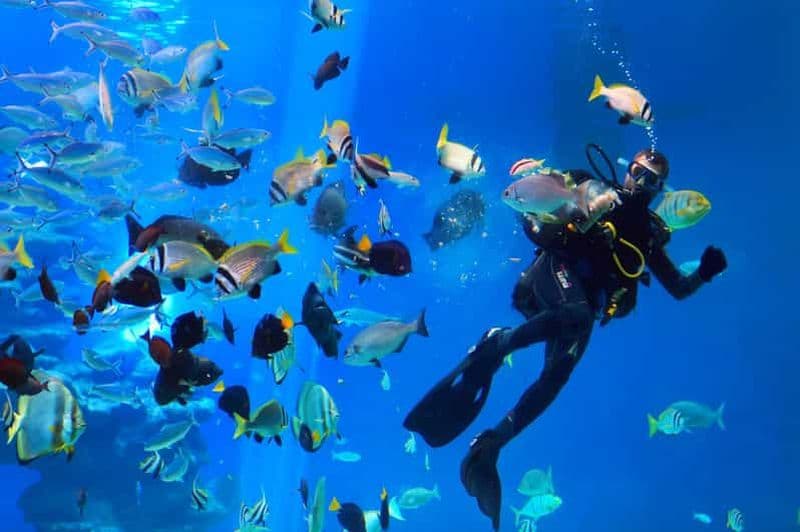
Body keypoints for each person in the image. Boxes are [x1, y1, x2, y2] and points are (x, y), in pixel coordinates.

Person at [404, 148, 728, 530]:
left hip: (580, 309)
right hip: (553, 274)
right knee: (575, 313)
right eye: (638, 172)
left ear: (659, 188)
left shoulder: (649, 237)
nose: (640, 183)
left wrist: (704, 274)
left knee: (558, 373)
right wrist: (576, 208)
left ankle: (491, 445)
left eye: (651, 180)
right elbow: (532, 210)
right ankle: (497, 344)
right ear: (629, 170)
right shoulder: (589, 188)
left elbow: (676, 286)